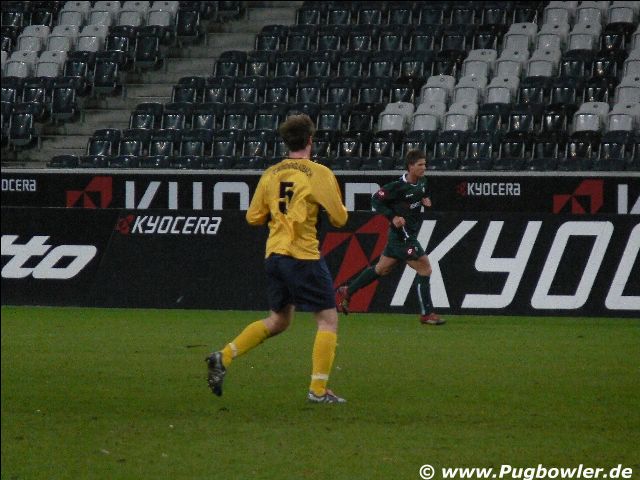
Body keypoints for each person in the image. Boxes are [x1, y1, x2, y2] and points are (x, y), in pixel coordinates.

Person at [205, 114, 349, 404]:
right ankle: (318, 390)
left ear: (286, 142)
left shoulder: (271, 173)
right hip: (303, 255)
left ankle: (225, 356)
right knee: (328, 320)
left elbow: (253, 217)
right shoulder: (318, 173)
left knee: (279, 320)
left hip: (274, 255)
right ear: (310, 140)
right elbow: (340, 218)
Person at [335, 149, 445, 325]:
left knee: (382, 269)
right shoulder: (397, 187)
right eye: (420, 165)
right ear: (410, 166)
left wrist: (425, 199)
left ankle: (348, 291)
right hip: (402, 236)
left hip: (402, 235)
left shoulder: (423, 182)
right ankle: (426, 314)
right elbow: (375, 199)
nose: (424, 168)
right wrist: (392, 217)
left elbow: (423, 193)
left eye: (425, 164)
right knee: (425, 268)